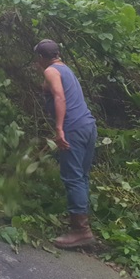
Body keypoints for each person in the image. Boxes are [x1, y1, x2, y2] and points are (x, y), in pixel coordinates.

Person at [34, 39, 97, 248]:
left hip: (73, 128)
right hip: (88, 126)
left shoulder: (51, 71)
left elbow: (60, 97)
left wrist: (59, 129)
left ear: (41, 58)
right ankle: (82, 222)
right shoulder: (64, 69)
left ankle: (81, 231)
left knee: (72, 178)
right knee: (82, 176)